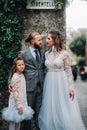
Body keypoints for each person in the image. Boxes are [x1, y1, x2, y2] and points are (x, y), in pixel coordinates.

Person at [38, 30, 86, 130]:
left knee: (63, 105)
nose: (46, 40)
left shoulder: (64, 54)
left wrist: (71, 88)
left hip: (61, 82)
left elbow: (69, 72)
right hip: (49, 82)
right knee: (51, 106)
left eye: (48, 38)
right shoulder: (46, 54)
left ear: (55, 40)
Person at [17, 32, 45, 130]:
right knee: (27, 113)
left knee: (39, 112)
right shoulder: (23, 53)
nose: (42, 42)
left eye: (41, 40)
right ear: (32, 41)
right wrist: (10, 82)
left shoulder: (42, 53)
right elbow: (15, 68)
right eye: (39, 40)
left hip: (41, 86)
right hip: (28, 87)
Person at [2, 57, 34, 130]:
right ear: (15, 67)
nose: (22, 66)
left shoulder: (22, 75)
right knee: (13, 121)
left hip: (21, 101)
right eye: (19, 65)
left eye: (23, 64)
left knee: (18, 121)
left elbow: (22, 90)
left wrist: (24, 104)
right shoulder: (15, 77)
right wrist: (19, 105)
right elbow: (15, 93)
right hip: (15, 103)